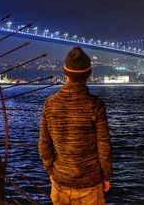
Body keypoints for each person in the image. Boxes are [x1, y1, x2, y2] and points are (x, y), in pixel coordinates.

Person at [39, 46, 112, 205]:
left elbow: (44, 144)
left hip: (60, 183)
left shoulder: (50, 103)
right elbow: (104, 145)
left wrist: (51, 170)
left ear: (65, 73)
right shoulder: (95, 104)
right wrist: (106, 176)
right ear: (89, 74)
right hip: (91, 184)